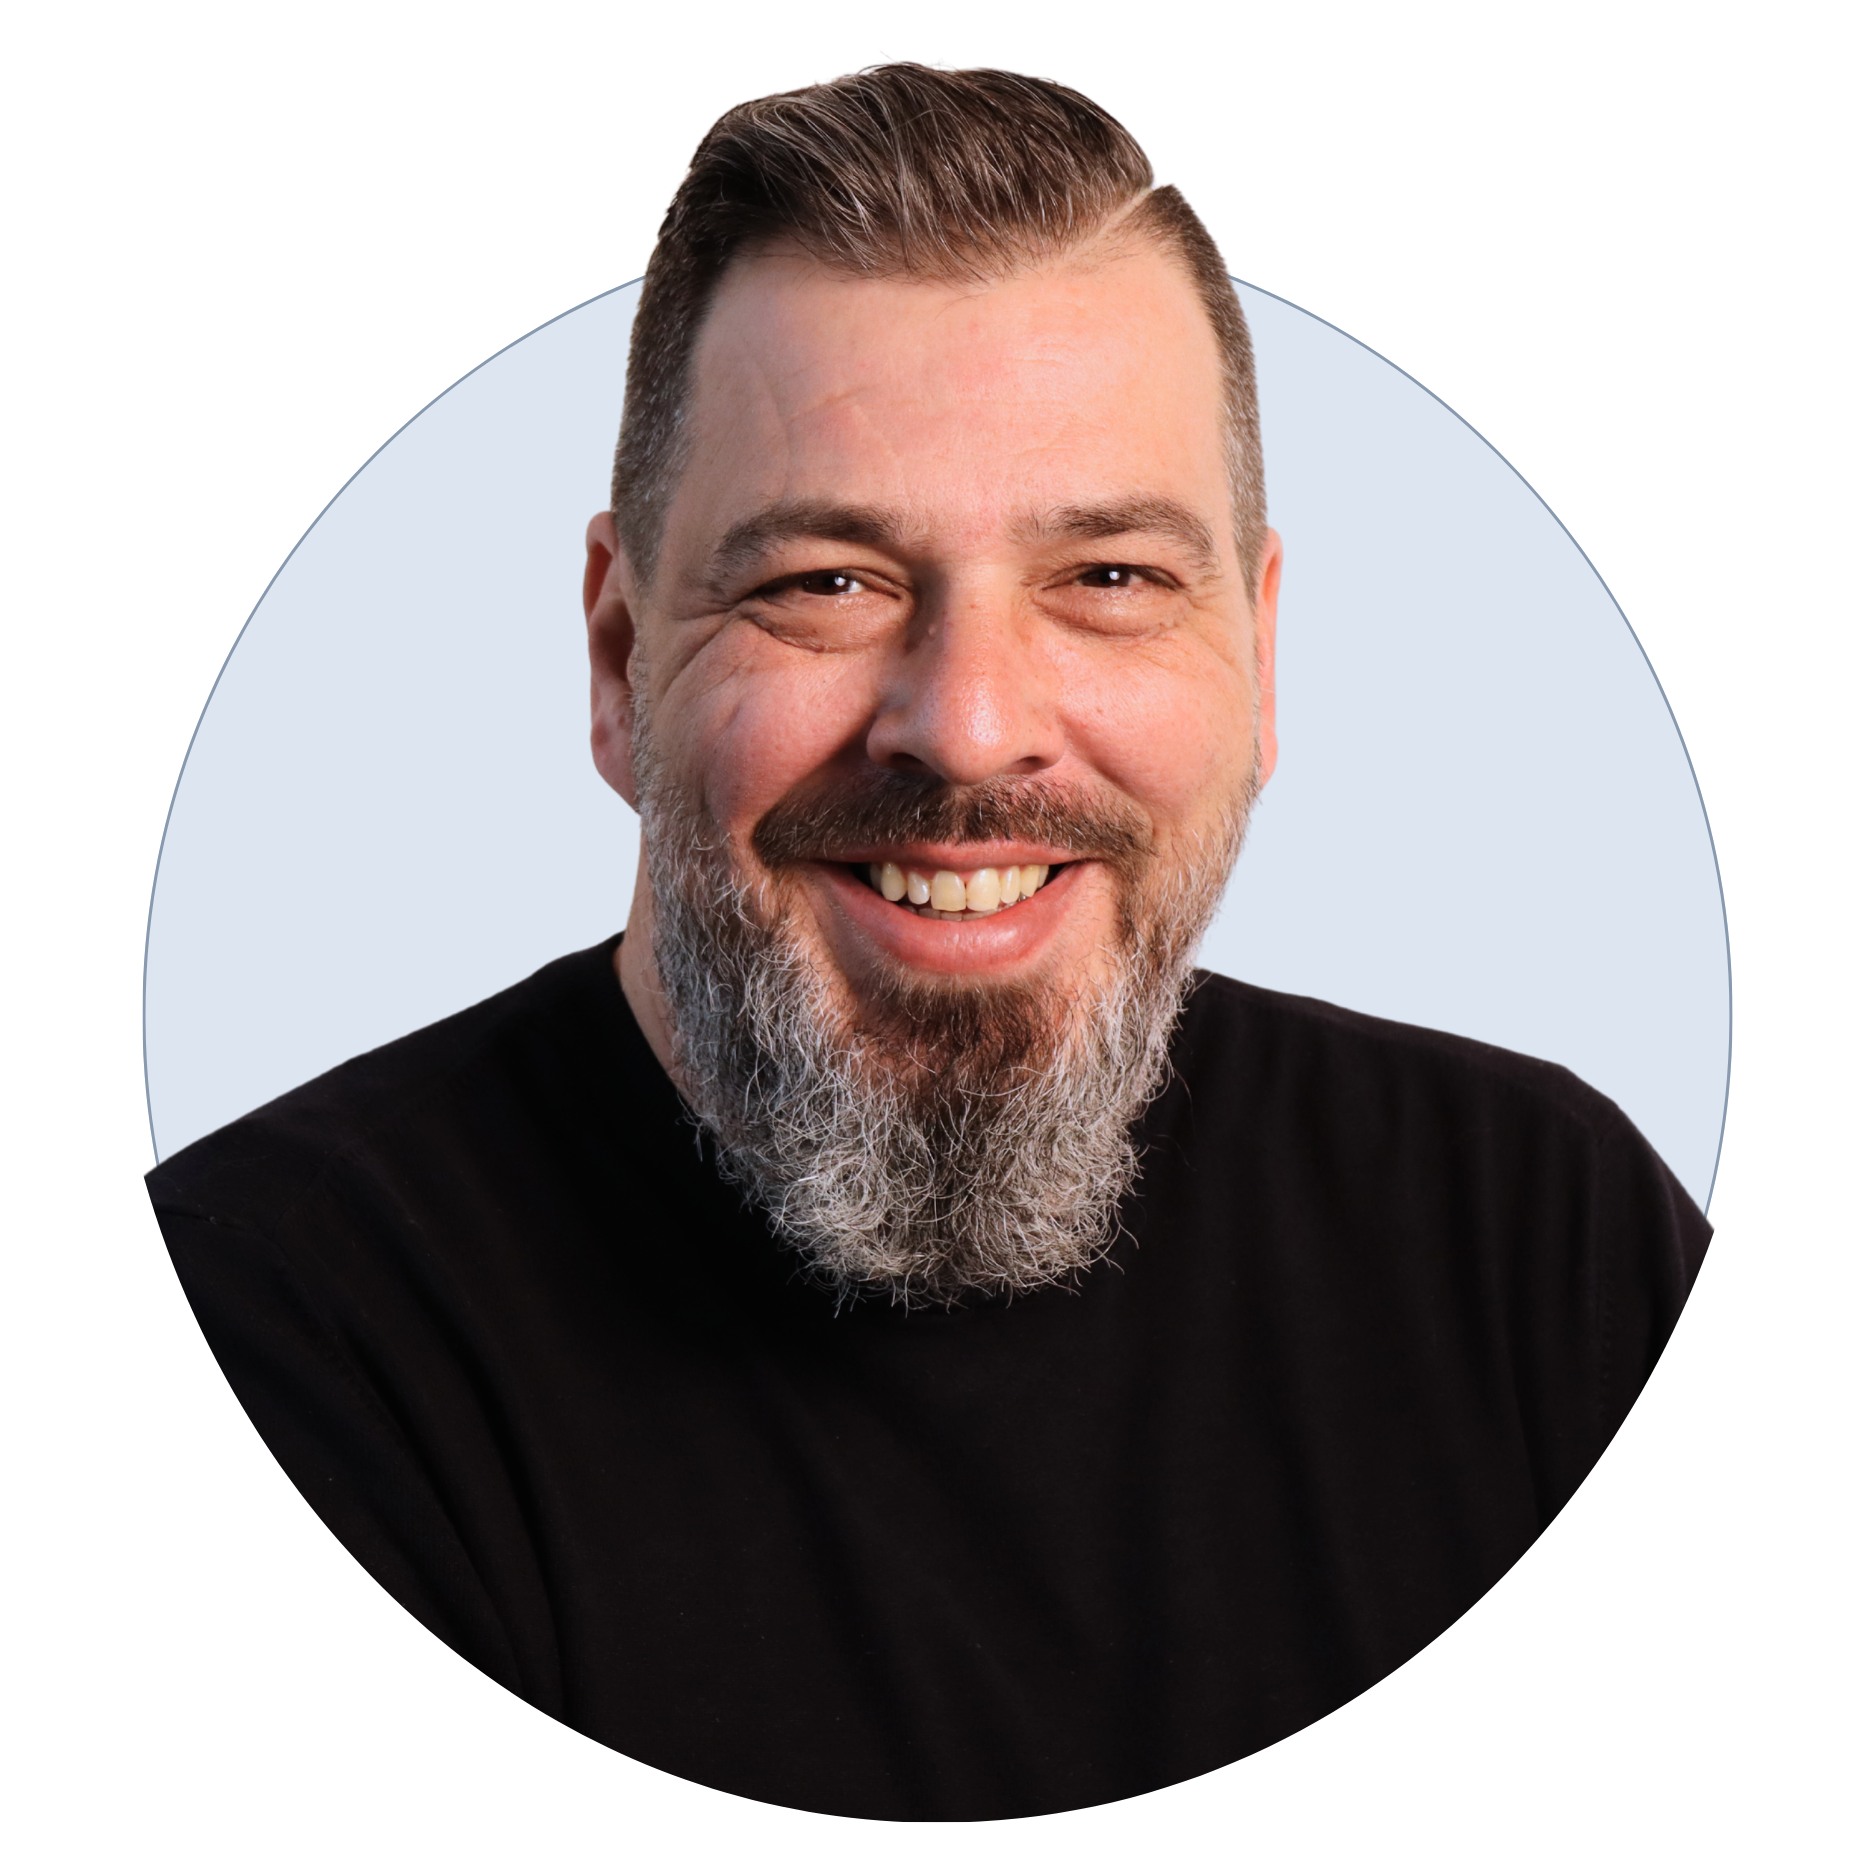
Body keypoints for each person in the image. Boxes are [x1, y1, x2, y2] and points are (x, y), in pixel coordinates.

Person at [147, 63, 1717, 1818]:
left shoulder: (1537, 1248)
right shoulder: (276, 1331)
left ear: (1258, 660)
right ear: (616, 662)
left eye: (1109, 577)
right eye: (825, 580)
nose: (968, 729)